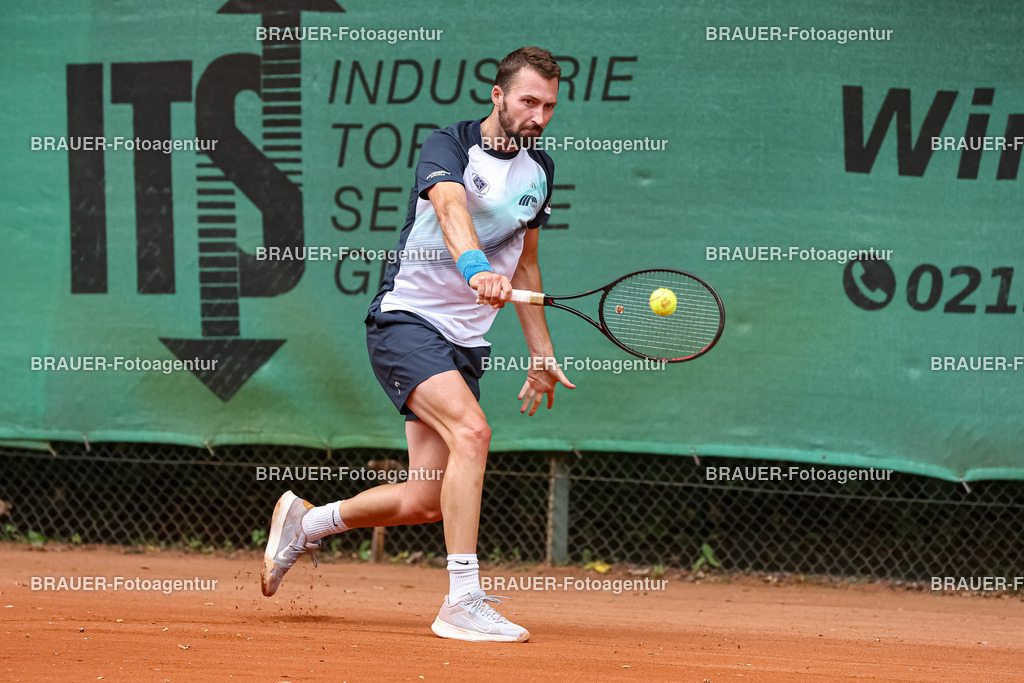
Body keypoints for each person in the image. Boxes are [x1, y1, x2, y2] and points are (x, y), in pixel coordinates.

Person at [260, 46, 573, 643]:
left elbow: (527, 267)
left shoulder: (540, 173)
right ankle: (461, 599)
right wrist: (475, 265)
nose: (538, 115)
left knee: (428, 497)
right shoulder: (448, 145)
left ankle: (309, 522)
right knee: (473, 433)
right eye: (528, 101)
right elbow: (451, 207)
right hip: (408, 321)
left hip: (464, 341)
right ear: (498, 95)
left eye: (549, 106)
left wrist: (541, 355)